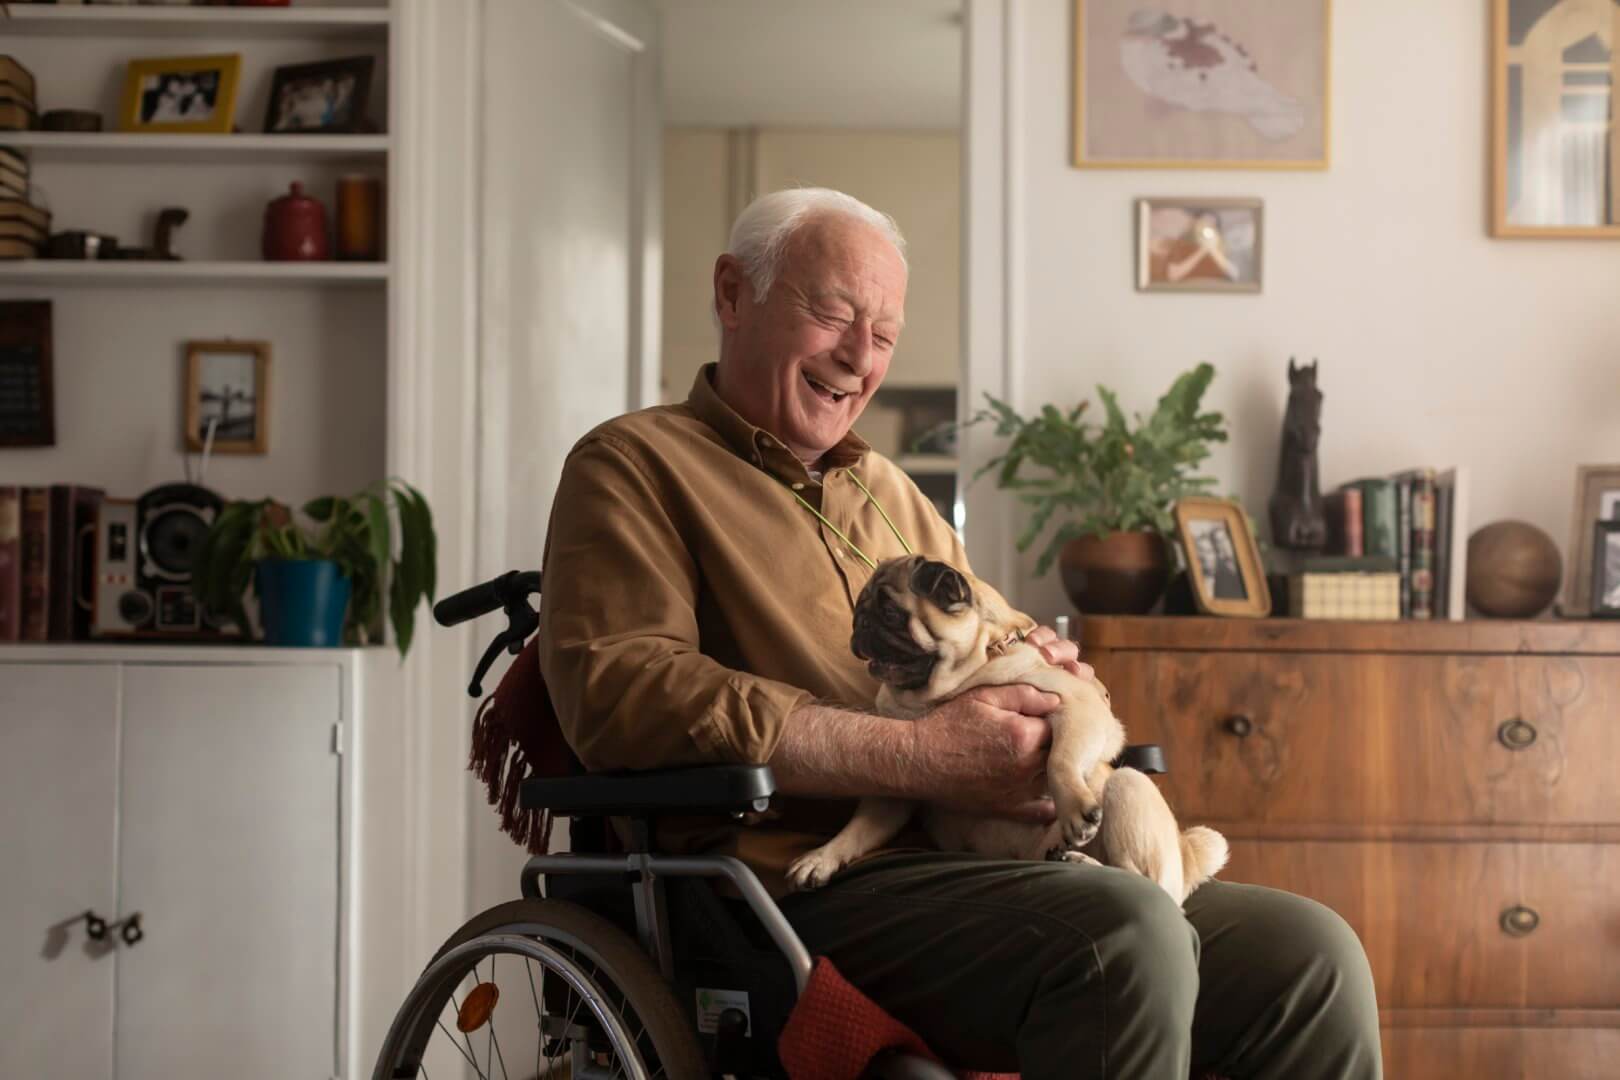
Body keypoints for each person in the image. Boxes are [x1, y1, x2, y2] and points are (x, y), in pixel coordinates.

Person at [538, 187, 1381, 1078]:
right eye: (832, 313)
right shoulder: (633, 466)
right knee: (1121, 939)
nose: (860, 357)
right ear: (732, 295)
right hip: (791, 883)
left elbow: (1004, 632)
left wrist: (1049, 670)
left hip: (985, 859)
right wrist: (915, 757)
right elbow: (618, 689)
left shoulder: (896, 497)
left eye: (886, 334)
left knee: (1310, 956)